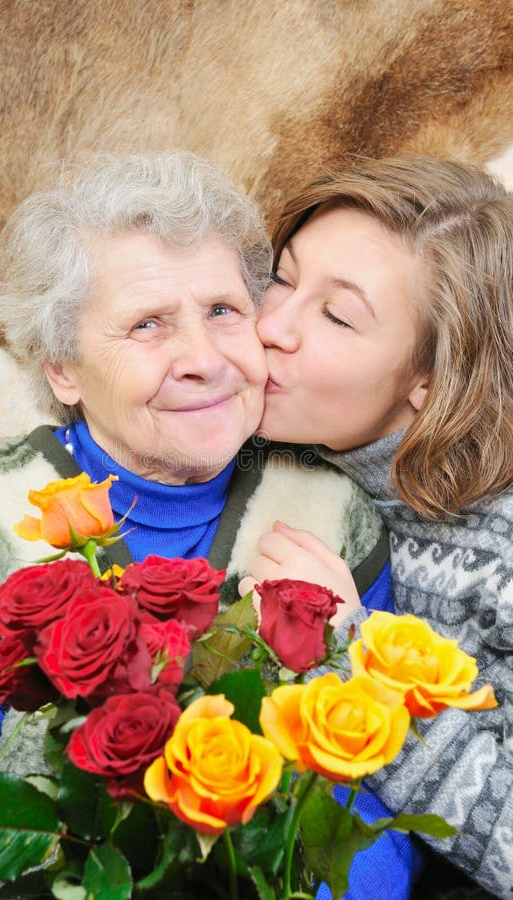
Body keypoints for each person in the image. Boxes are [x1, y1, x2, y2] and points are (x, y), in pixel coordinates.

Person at [0, 151, 392, 899]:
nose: (203, 359)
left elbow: (371, 822)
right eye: (147, 325)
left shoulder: (334, 519)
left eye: (224, 311)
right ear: (63, 367)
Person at [241, 154, 513, 899]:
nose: (272, 326)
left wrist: (356, 657)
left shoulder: (500, 549)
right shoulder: (256, 437)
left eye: (336, 315)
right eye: (283, 278)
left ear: (429, 380)